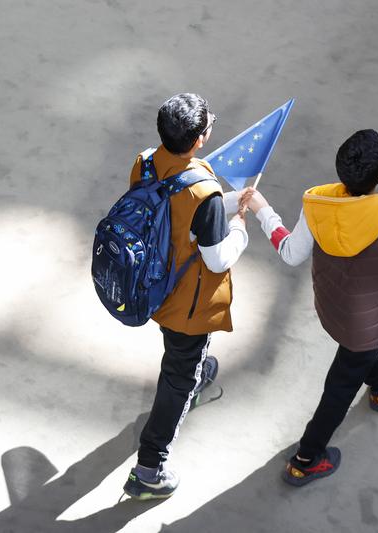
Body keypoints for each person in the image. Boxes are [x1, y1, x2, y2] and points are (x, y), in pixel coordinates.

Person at [241, 129, 378, 486]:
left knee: (359, 358)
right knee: (339, 386)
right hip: (370, 323)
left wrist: (265, 212)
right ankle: (306, 458)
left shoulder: (317, 204)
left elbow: (290, 252)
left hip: (332, 308)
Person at [122, 93, 249, 500]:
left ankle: (190, 379)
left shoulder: (144, 162)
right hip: (186, 305)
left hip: (150, 285)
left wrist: (224, 204)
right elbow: (217, 260)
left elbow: (170, 204)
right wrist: (241, 229)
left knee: (178, 357)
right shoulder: (204, 192)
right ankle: (149, 469)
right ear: (199, 140)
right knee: (178, 375)